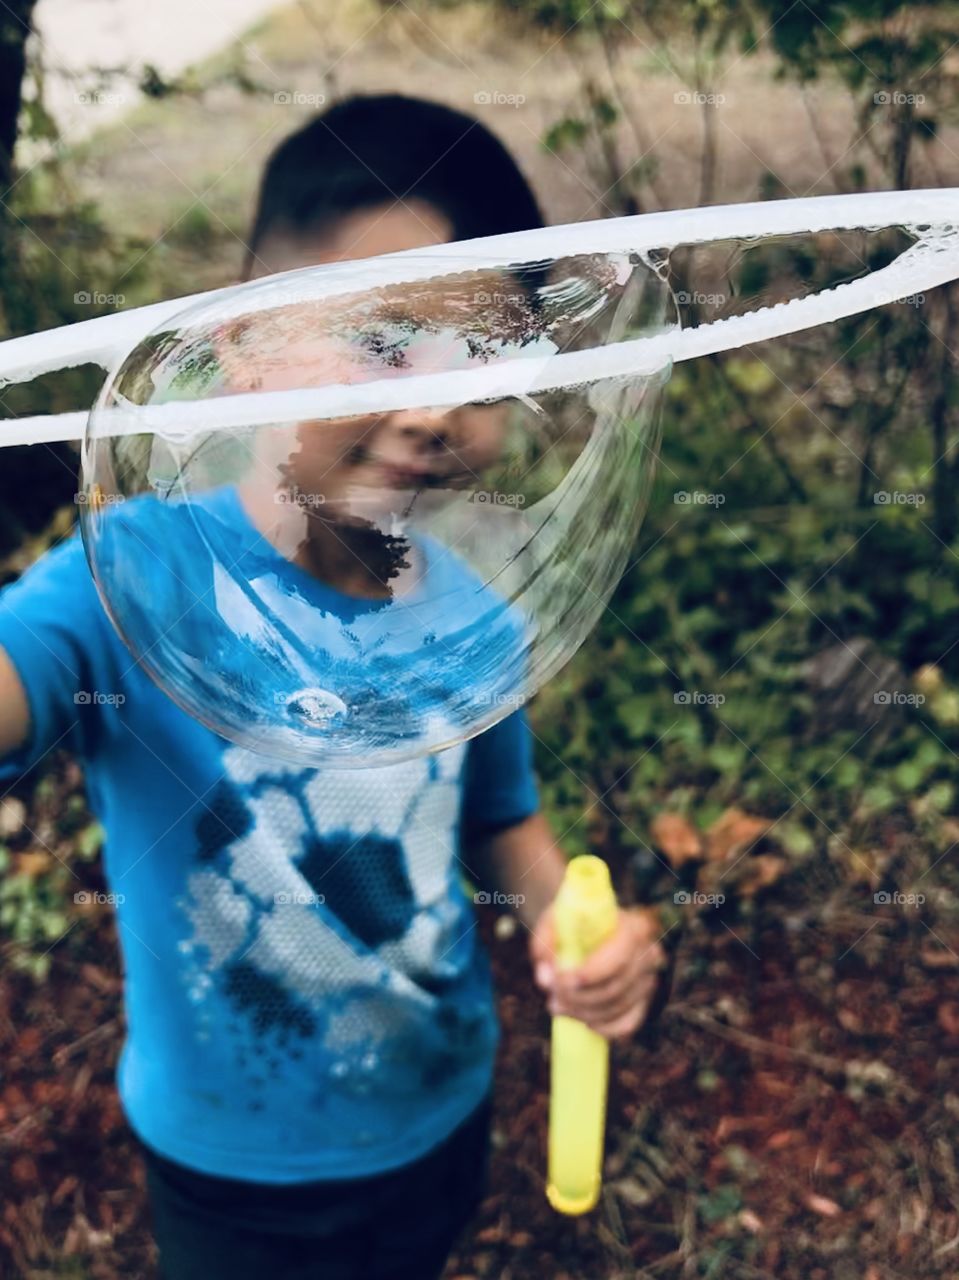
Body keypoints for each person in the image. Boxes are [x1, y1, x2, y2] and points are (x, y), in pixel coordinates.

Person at [0, 94, 665, 1280]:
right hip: (230, 1168)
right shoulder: (131, 576)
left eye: (483, 365)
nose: (433, 410)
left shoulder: (474, 613)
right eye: (384, 342)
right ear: (240, 342)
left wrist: (579, 928)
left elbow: (501, 818)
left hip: (438, 1108)